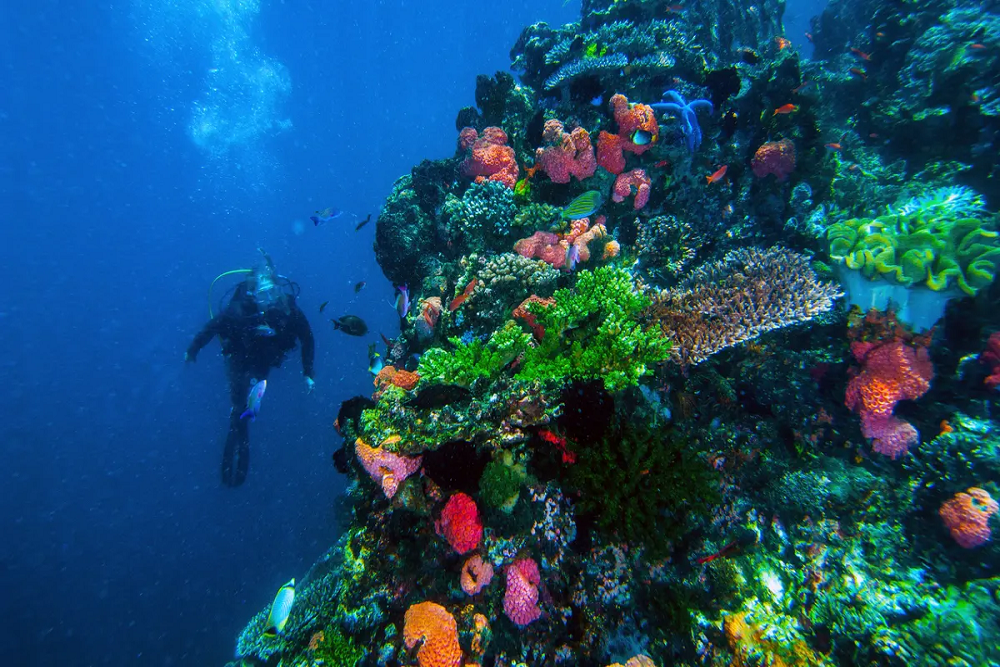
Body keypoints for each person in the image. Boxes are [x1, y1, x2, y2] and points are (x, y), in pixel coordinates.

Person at [186, 252, 315, 487]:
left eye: (271, 292)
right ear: (252, 292)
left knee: (250, 400)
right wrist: (193, 349)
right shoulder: (239, 310)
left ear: (277, 288)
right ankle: (238, 427)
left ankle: (242, 422)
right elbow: (214, 326)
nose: (267, 299)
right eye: (261, 293)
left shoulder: (289, 311)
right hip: (238, 357)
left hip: (262, 362)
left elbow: (307, 338)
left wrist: (308, 372)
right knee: (239, 402)